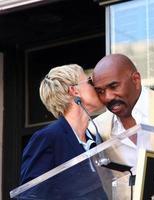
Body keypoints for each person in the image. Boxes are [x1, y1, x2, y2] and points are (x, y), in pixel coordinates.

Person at [20, 64, 107, 199]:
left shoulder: (96, 138)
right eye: (90, 82)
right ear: (74, 91)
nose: (96, 87)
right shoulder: (48, 138)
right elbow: (30, 196)